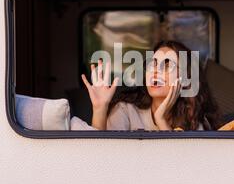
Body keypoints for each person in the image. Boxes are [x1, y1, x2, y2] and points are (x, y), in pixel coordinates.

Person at [81, 40, 223, 131]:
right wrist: (100, 108)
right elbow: (103, 158)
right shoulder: (126, 111)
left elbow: (182, 168)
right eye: (152, 64)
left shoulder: (193, 120)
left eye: (168, 66)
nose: (156, 70)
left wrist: (161, 120)